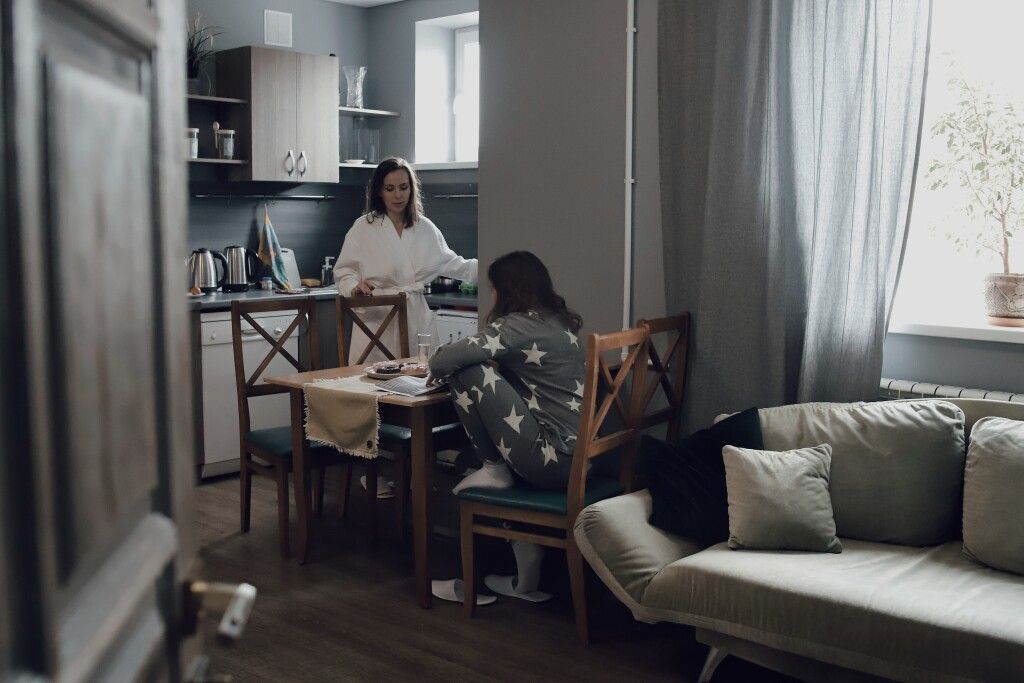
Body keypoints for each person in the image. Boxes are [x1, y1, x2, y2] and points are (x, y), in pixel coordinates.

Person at [427, 251, 585, 605]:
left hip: (551, 461)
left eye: (493, 288)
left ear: (506, 291)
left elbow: (443, 360)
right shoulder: (558, 322)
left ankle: (471, 584)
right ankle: (522, 555)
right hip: (579, 461)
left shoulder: (516, 326)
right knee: (466, 462)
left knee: (468, 369)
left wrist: (446, 363)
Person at [333, 157, 477, 364]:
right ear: (379, 191)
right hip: (376, 322)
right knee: (373, 380)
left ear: (412, 189)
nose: (398, 195)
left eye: (403, 187)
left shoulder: (424, 228)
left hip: (415, 320)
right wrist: (355, 288)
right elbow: (344, 273)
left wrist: (495, 267)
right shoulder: (363, 228)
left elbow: (456, 265)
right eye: (390, 188)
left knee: (419, 379)